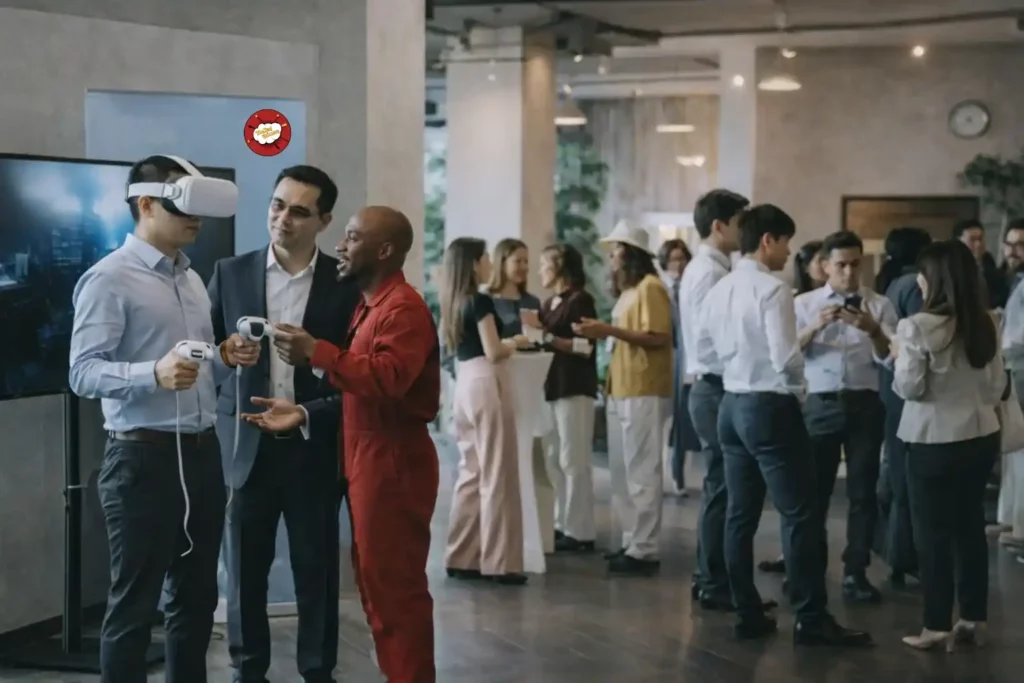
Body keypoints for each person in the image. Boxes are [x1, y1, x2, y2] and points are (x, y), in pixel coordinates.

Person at [69, 155, 260, 683]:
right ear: (146, 203)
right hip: (140, 459)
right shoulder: (108, 279)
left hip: (201, 453)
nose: (196, 221)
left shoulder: (193, 279)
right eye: (183, 206)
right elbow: (82, 373)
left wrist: (222, 356)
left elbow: (192, 366)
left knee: (197, 600)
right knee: (133, 607)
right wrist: (151, 372)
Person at [241, 206, 440, 682]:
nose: (341, 247)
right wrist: (305, 410)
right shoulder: (370, 304)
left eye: (351, 238)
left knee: (394, 593)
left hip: (391, 461)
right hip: (364, 455)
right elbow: (357, 386)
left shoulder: (403, 309)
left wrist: (319, 353)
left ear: (385, 250)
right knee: (376, 589)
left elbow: (389, 378)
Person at [207, 166, 360, 683]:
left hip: (311, 443)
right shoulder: (231, 272)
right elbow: (206, 353)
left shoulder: (345, 288)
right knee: (244, 571)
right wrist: (226, 353)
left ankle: (318, 672)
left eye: (298, 210)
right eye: (277, 204)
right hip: (245, 443)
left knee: (315, 571)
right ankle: (247, 671)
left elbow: (355, 376)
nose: (283, 218)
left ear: (324, 220)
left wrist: (314, 382)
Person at [698, 204, 871, 646]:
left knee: (740, 514)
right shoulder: (772, 290)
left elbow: (707, 351)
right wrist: (797, 392)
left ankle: (747, 610)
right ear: (768, 240)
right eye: (787, 241)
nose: (789, 251)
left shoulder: (719, 290)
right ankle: (811, 618)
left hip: (731, 404)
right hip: (769, 406)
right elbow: (786, 356)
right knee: (801, 514)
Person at [892, 240, 1004, 651]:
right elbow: (995, 387)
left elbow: (910, 388)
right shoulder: (988, 320)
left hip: (933, 440)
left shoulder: (917, 326)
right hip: (981, 433)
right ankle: (973, 617)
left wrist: (900, 353)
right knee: (970, 526)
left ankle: (936, 624)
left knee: (933, 534)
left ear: (930, 279)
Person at [793, 230, 896, 603]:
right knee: (814, 495)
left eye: (856, 264)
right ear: (824, 266)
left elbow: (890, 359)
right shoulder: (803, 304)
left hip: (865, 403)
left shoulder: (879, 305)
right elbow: (788, 355)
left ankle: (855, 572)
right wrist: (814, 326)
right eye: (841, 265)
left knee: (862, 494)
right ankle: (809, 571)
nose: (850, 273)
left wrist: (873, 332)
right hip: (819, 404)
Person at [574, 220, 673, 576]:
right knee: (622, 470)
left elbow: (658, 336)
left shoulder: (651, 288)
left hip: (644, 386)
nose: (611, 258)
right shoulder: (630, 292)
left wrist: (607, 330)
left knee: (643, 468)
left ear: (631, 255)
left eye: (616, 251)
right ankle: (632, 540)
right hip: (622, 386)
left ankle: (646, 548)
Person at [442, 237, 530, 584]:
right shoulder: (479, 301)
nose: (490, 263)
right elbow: (494, 350)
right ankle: (500, 563)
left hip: (464, 383)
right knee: (497, 473)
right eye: (486, 258)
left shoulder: (452, 301)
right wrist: (516, 342)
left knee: (471, 472)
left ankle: (461, 555)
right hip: (486, 381)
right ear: (475, 263)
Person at [678, 189, 749, 607]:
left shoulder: (713, 267)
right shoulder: (710, 272)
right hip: (715, 385)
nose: (746, 231)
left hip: (713, 386)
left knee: (722, 486)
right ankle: (712, 581)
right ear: (719, 226)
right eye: (741, 222)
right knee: (722, 487)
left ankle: (712, 577)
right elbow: (712, 338)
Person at [522, 244, 600, 553]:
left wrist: (550, 338)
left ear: (561, 268)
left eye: (544, 264)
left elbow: (587, 347)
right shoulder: (548, 303)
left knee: (574, 459)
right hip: (551, 386)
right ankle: (560, 522)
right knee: (554, 459)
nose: (540, 270)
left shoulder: (581, 300)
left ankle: (580, 530)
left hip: (574, 386)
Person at [875, 226, 932, 588]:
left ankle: (896, 553)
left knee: (897, 468)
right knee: (907, 472)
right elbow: (917, 345)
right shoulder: (915, 285)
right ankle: (905, 554)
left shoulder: (893, 283)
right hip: (905, 388)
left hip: (889, 387)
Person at [658, 238, 701, 496]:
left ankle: (679, 475)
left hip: (686, 357)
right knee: (665, 420)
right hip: (667, 357)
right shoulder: (660, 289)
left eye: (683, 258)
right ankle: (665, 474)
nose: (679, 263)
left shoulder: (691, 287)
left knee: (682, 421)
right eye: (674, 259)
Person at [485, 237, 542, 336]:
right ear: (502, 263)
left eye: (526, 261)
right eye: (518, 261)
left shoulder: (533, 302)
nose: (524, 267)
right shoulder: (485, 300)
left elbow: (537, 339)